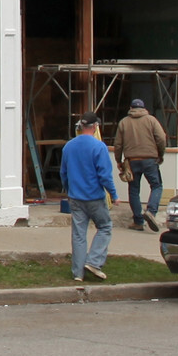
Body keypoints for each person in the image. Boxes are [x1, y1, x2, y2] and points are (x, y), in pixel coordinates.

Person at [61, 113, 117, 281]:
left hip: (75, 197)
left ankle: (78, 273)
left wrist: (68, 190)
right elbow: (105, 175)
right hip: (94, 197)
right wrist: (114, 194)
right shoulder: (99, 147)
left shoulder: (69, 147)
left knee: (78, 235)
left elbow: (63, 173)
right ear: (95, 126)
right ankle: (94, 261)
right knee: (105, 227)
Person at [115, 98, 169, 232]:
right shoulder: (151, 120)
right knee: (156, 185)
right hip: (150, 159)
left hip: (132, 160)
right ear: (144, 108)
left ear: (130, 108)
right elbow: (161, 138)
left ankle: (138, 222)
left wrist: (118, 160)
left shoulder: (124, 122)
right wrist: (160, 154)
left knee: (134, 190)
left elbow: (118, 144)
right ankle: (151, 211)